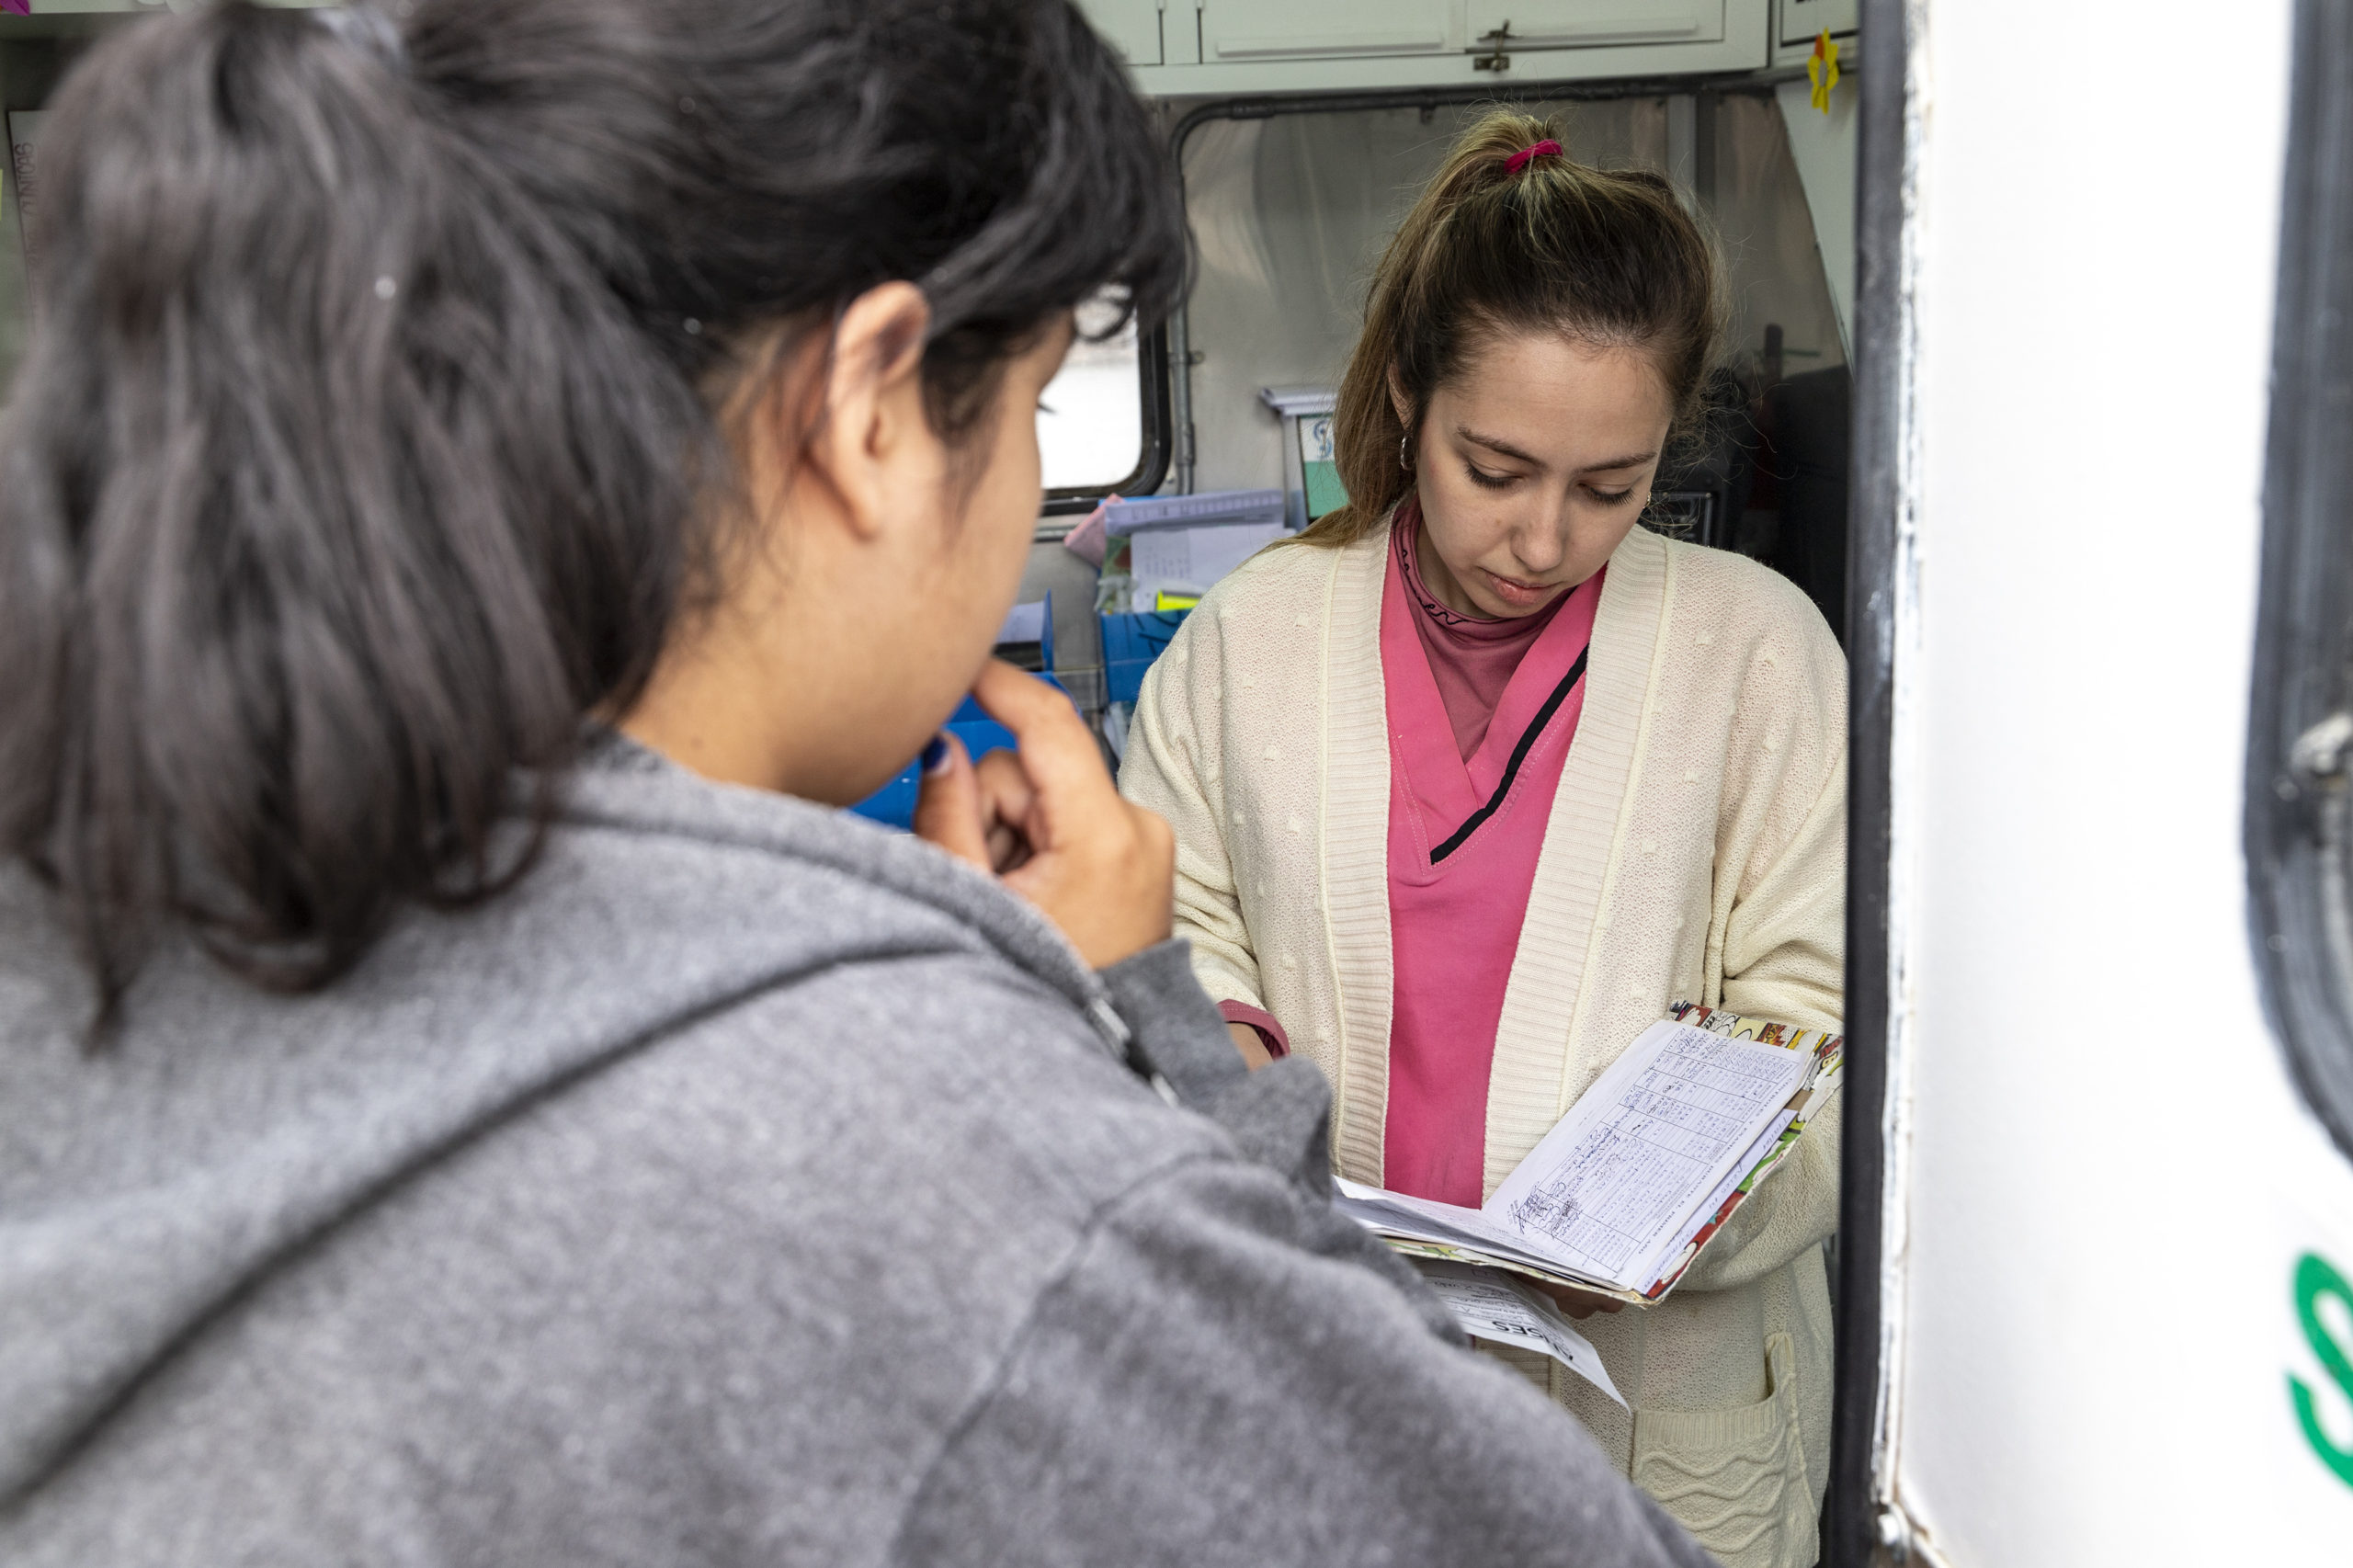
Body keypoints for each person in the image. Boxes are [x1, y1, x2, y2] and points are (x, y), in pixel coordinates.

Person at [0, 6, 1727, 1565]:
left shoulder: (107, 888)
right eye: (1041, 402)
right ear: (873, 408)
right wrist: (1152, 1037)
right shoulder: (948, 1154)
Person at [1119, 112, 1847, 1568]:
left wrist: (1656, 1226)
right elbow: (1167, 928)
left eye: (1610, 487)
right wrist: (1232, 1069)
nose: (1542, 538)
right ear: (1404, 397)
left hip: (1664, 1403)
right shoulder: (1254, 635)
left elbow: (1824, 1026)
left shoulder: (1754, 652)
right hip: (1344, 1359)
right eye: (1495, 468)